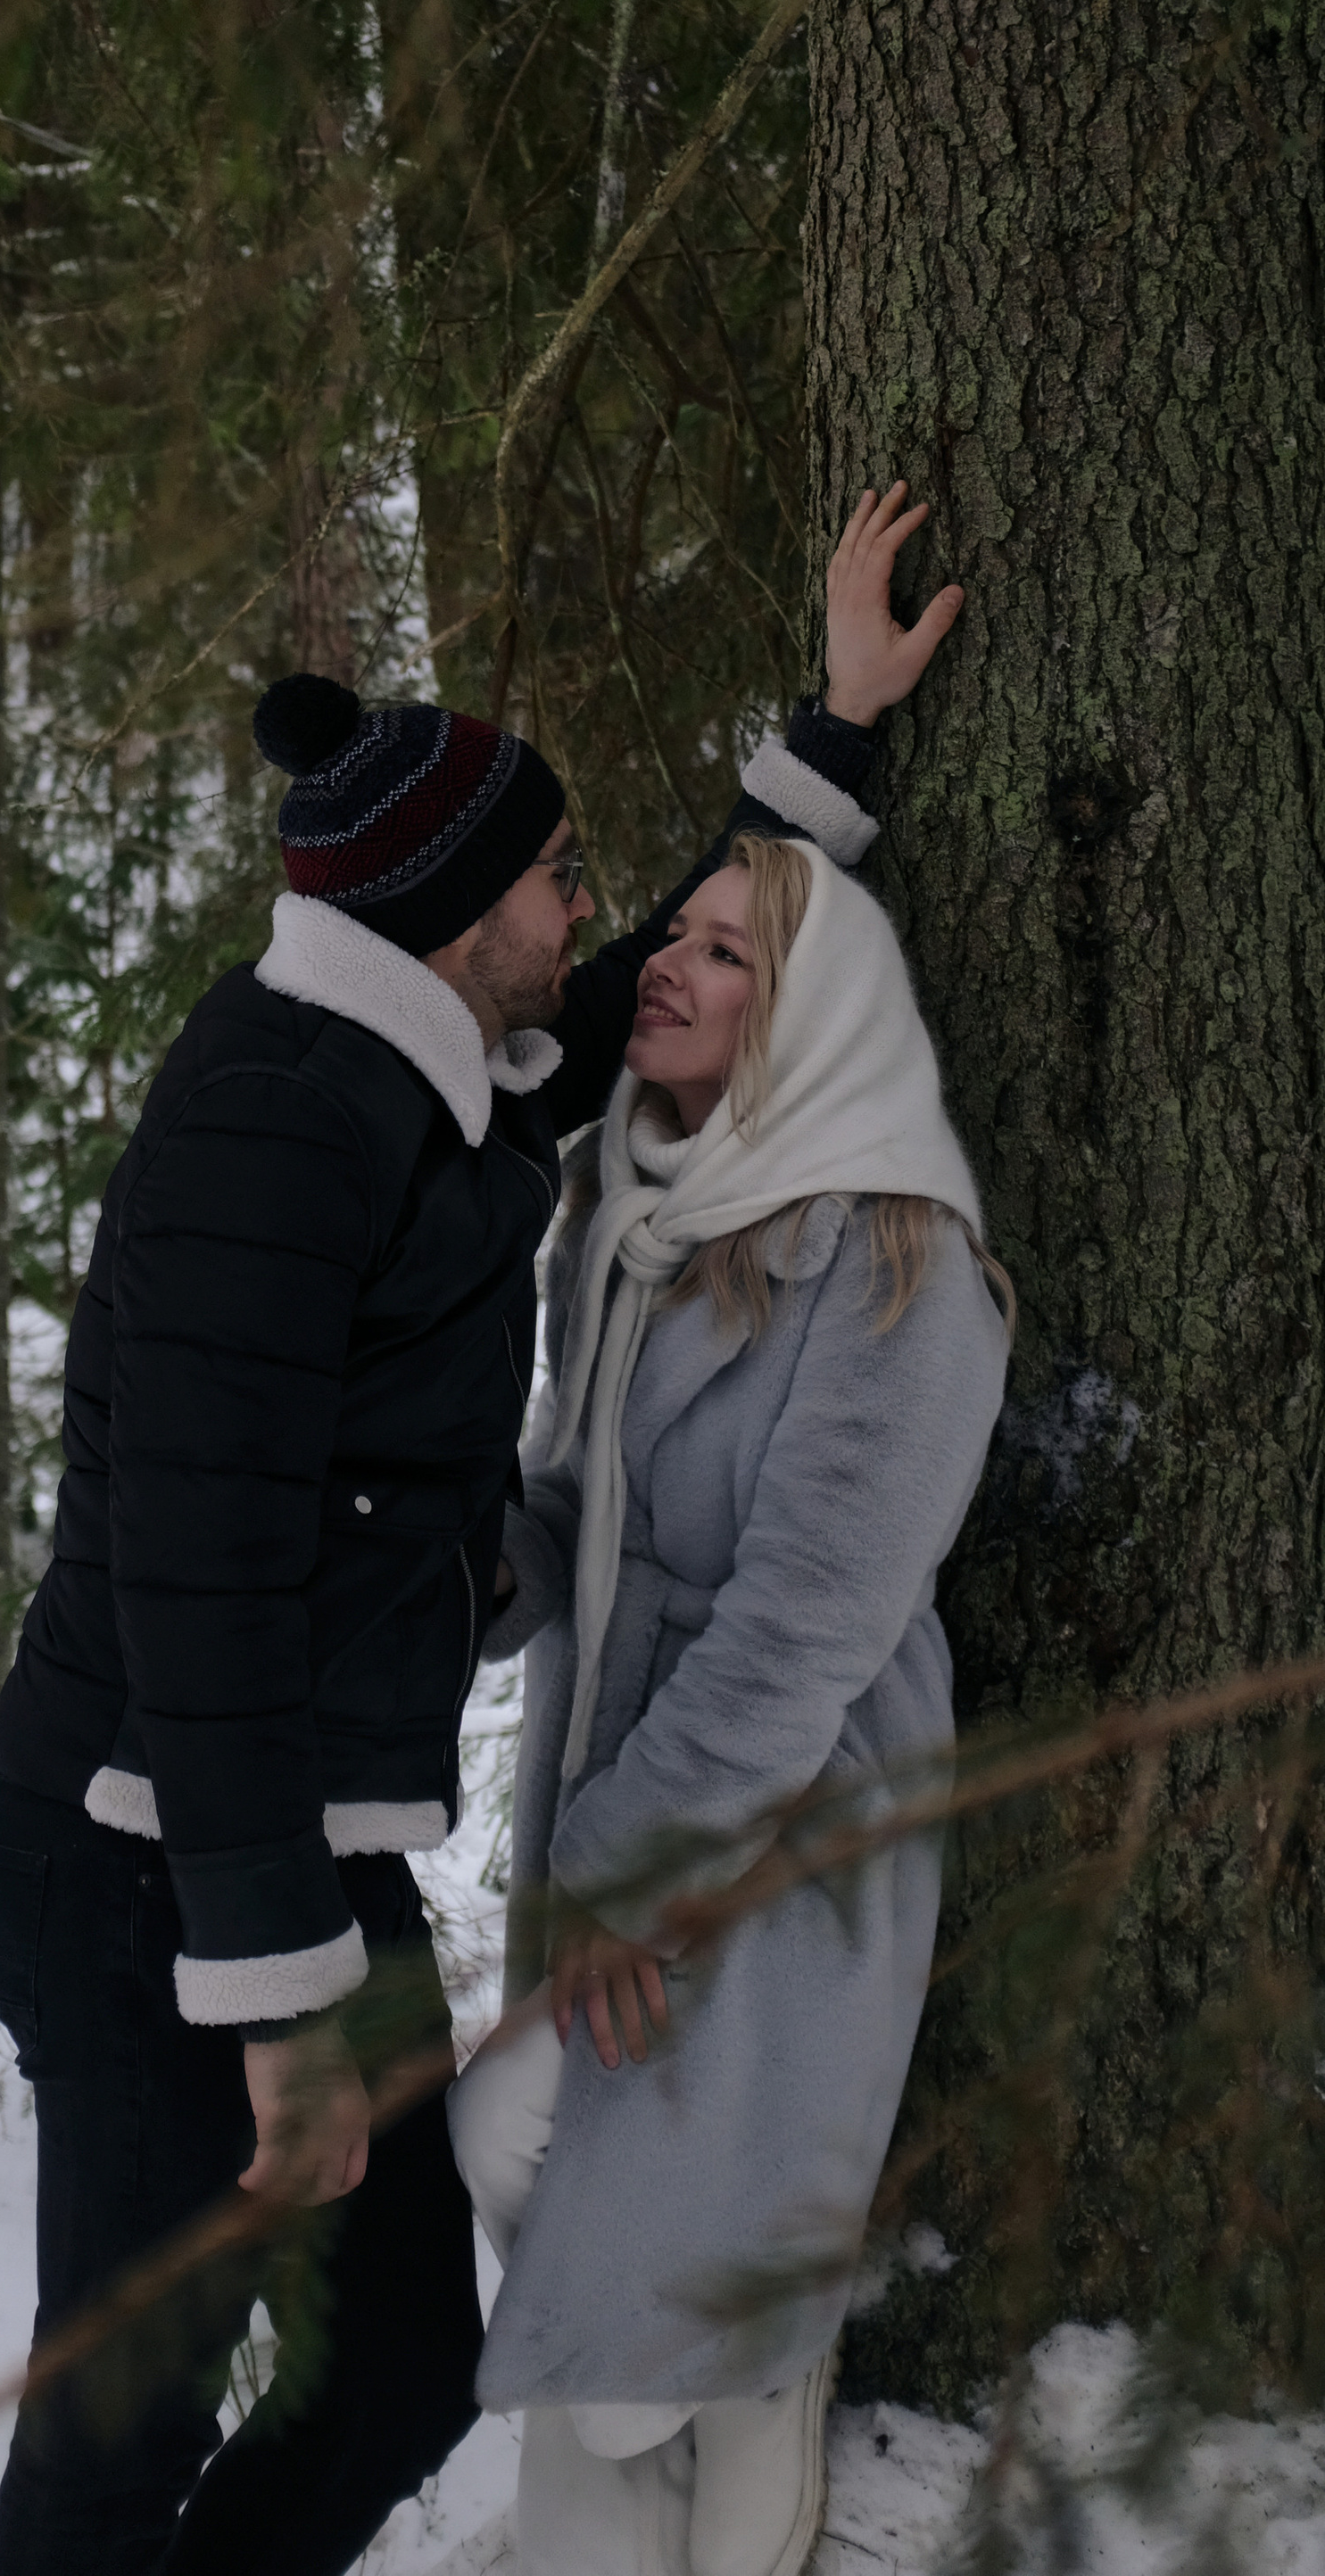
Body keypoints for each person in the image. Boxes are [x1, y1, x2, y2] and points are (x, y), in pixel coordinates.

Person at [0, 490, 961, 2576]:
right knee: (119, 2424)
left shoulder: (399, 1067)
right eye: (558, 877)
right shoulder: (274, 1120)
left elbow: (611, 1013)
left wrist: (826, 753)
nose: (590, 910)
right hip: (158, 1860)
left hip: (275, 1855)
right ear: (450, 912)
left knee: (401, 2362)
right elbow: (198, 1580)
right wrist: (273, 2003)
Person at [446, 829, 1013, 2576]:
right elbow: (571, 1490)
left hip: (778, 1812)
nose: (662, 968)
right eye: (670, 933)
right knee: (615, 2275)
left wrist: (633, 1857)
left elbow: (805, 1621)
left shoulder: (898, 1258)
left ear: (813, 1018)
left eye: (723, 955)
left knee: (597, 2205)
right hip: (619, 1776)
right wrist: (477, 1578)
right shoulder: (621, 1211)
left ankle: (763, 2417)